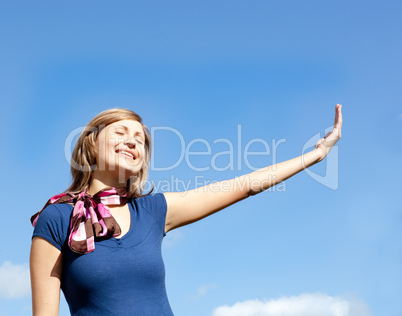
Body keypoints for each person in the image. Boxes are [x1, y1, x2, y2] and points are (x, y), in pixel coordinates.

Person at [30, 105, 343, 315]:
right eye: (121, 133)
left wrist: (314, 156)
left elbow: (245, 185)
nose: (133, 142)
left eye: (140, 140)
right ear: (91, 145)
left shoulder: (153, 210)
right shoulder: (57, 218)